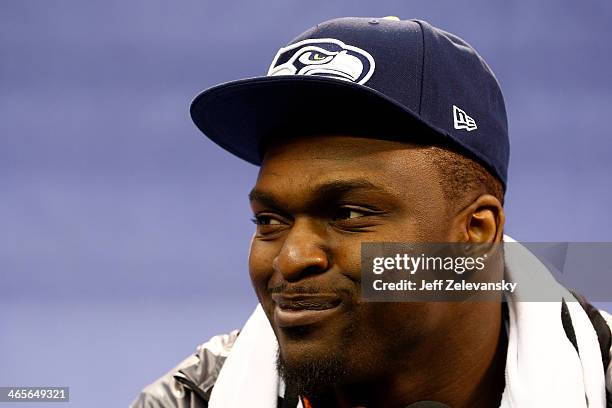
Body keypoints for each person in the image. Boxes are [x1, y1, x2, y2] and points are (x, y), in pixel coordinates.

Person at [131, 17, 612, 408]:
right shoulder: (190, 399)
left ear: (474, 234)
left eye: (349, 213)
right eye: (269, 221)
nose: (291, 259)